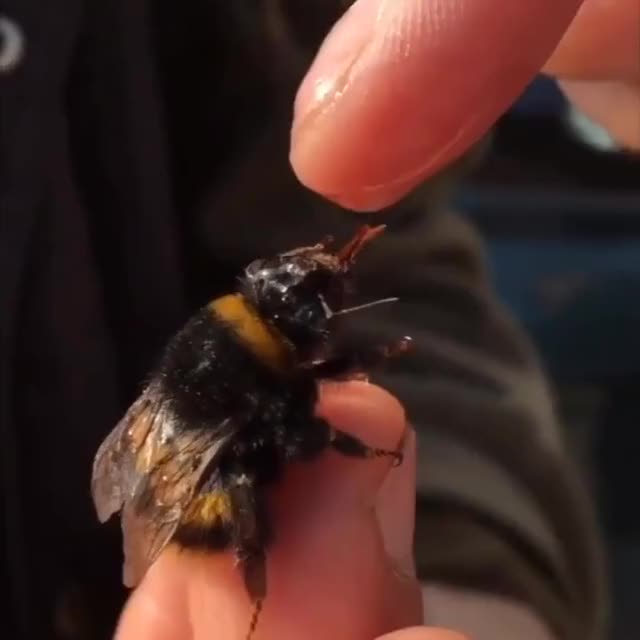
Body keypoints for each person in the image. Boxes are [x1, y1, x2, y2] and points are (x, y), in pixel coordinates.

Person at [0, 1, 636, 639]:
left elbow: (384, 261)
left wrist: (456, 568)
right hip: (202, 511)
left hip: (219, 586)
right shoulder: (256, 362)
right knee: (283, 442)